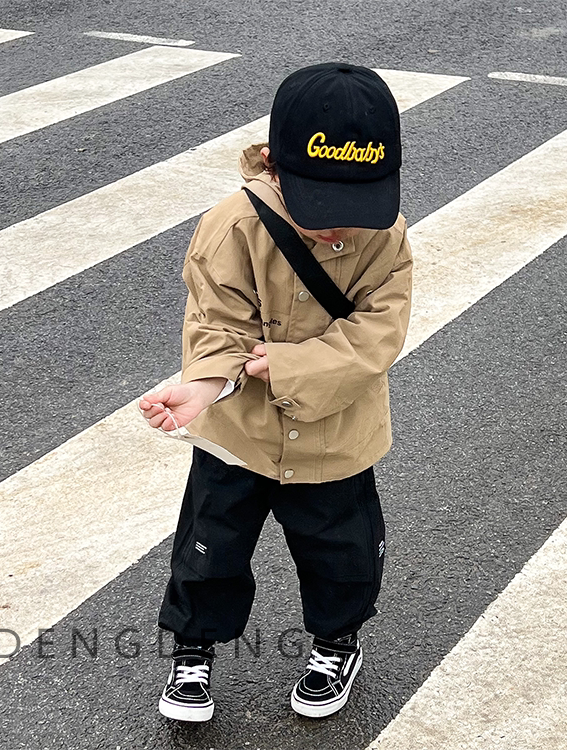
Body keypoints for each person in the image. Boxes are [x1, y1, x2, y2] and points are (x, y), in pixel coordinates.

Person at [138, 61, 412, 722]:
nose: (338, 229)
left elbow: (379, 330)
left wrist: (290, 367)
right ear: (272, 164)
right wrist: (206, 384)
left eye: (356, 208)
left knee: (342, 549)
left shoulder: (385, 236)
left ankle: (337, 641)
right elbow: (218, 323)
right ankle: (194, 648)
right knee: (210, 544)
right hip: (237, 429)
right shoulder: (232, 226)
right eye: (320, 206)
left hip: (335, 430)